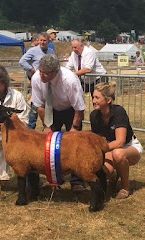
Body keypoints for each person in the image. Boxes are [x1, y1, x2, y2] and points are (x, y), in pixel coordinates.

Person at [31, 54, 85, 191]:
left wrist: (74, 128)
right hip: (51, 110)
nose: (41, 75)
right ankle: (54, 179)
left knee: (75, 146)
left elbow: (79, 108)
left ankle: (77, 181)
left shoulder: (70, 80)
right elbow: (39, 106)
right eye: (40, 71)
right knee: (48, 146)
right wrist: (46, 126)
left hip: (70, 110)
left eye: (45, 73)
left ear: (56, 72)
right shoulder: (36, 78)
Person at [90, 81, 143, 199]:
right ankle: (113, 177)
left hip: (129, 146)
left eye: (97, 98)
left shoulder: (119, 112)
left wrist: (100, 149)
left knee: (118, 154)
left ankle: (125, 187)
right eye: (93, 97)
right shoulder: (94, 115)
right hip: (109, 147)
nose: (94, 100)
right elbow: (99, 139)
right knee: (104, 171)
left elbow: (120, 142)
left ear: (108, 100)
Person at [19, 32, 54, 129]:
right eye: (41, 40)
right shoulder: (33, 51)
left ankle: (47, 127)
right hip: (37, 82)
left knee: (48, 105)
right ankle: (30, 127)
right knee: (35, 105)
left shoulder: (51, 51)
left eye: (44, 40)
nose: (42, 42)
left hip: (49, 83)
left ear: (48, 41)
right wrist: (31, 69)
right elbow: (22, 61)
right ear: (38, 41)